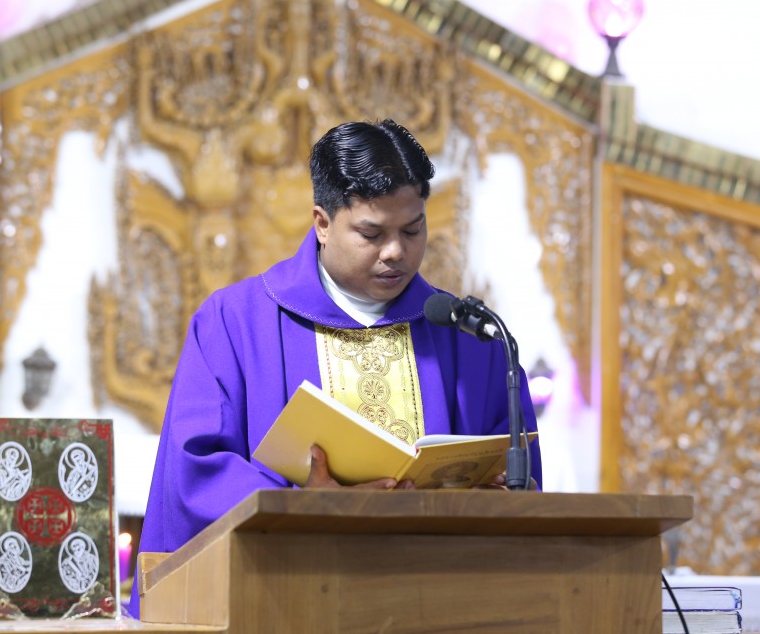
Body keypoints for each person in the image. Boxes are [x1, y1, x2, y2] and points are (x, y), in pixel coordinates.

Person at [128, 119, 542, 618]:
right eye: (372, 233)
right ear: (322, 224)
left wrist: (493, 496)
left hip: (437, 604)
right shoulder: (234, 322)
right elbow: (194, 472)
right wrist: (300, 503)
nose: (396, 251)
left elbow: (519, 483)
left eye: (412, 229)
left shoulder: (469, 335)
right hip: (283, 601)